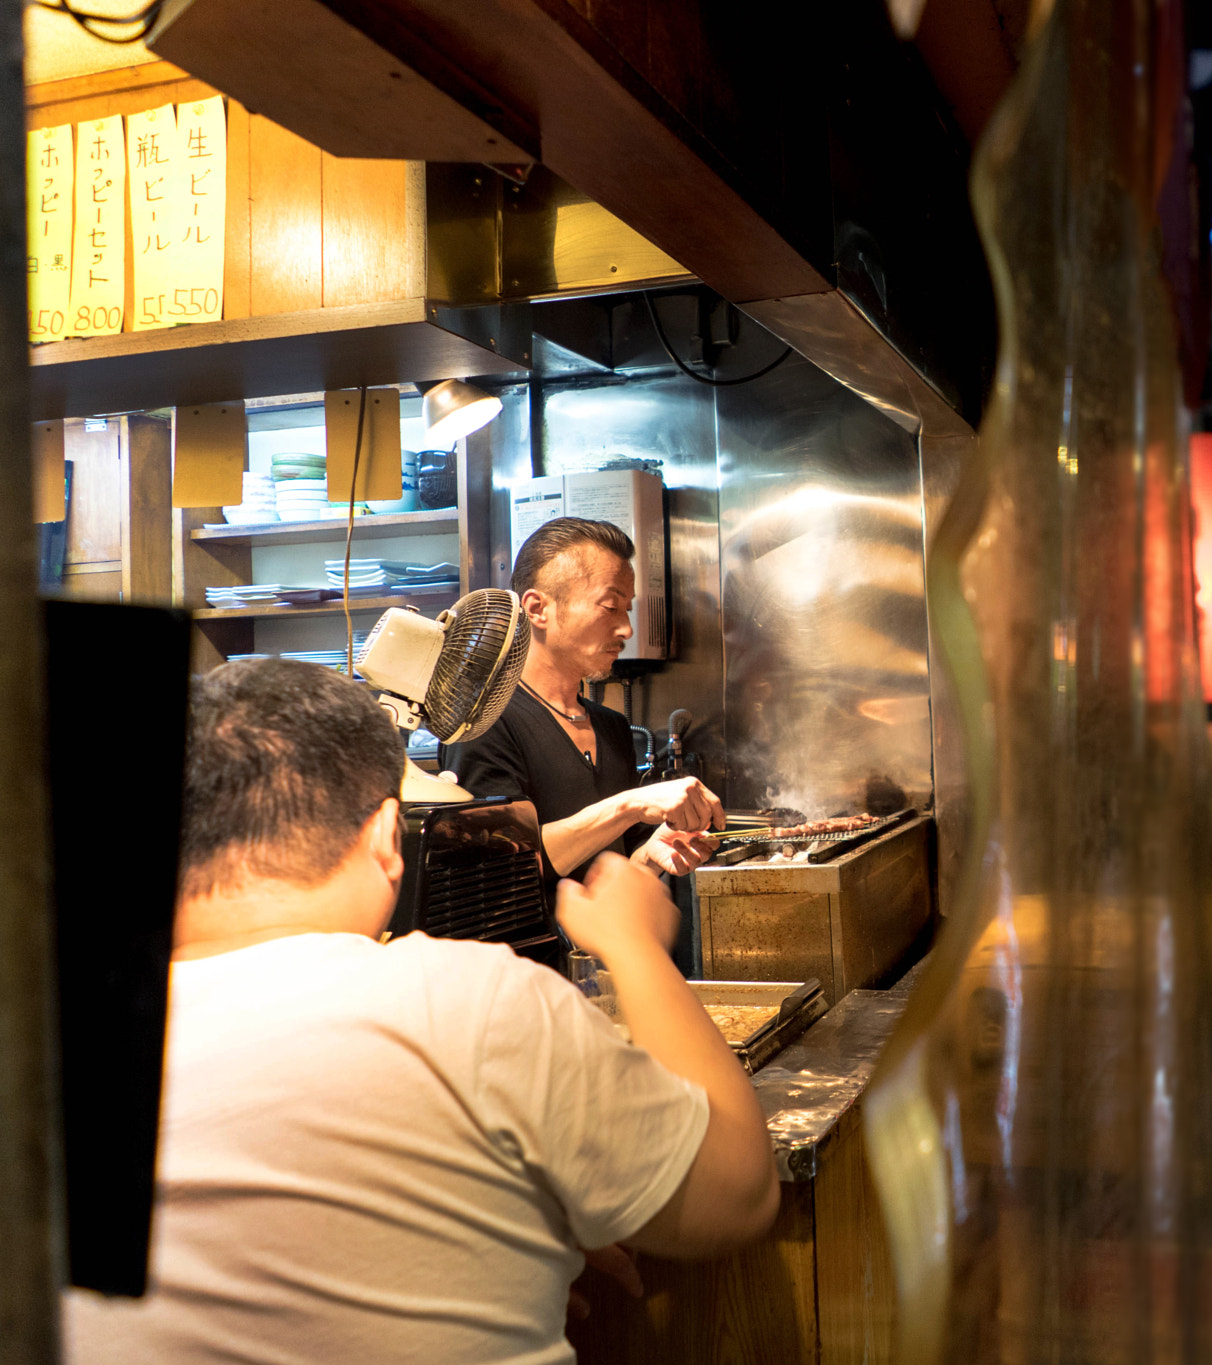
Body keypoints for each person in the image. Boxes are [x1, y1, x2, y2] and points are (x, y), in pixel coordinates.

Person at [65, 660, 778, 1363]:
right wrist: (635, 946)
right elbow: (737, 1194)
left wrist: (507, 1216)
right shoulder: (470, 1001)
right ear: (387, 835)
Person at [444, 517, 724, 879]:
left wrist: (648, 858)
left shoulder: (612, 727)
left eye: (628, 609)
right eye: (610, 607)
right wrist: (631, 805)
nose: (626, 629)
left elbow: (606, 874)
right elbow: (503, 862)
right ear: (537, 608)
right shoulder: (485, 721)